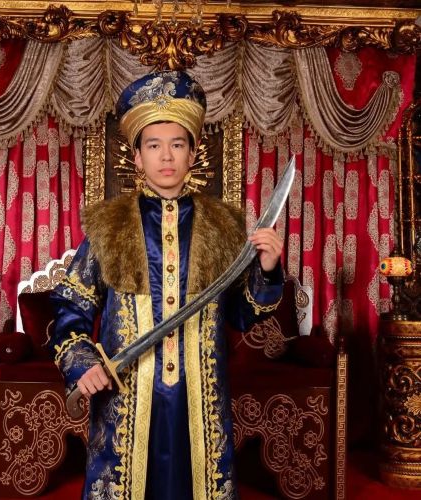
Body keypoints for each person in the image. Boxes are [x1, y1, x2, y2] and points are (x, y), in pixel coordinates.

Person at [48, 71, 284, 500]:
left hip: (201, 399)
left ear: (193, 153)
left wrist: (266, 270)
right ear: (138, 157)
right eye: (154, 146)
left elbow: (242, 313)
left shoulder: (222, 226)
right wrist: (83, 365)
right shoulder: (109, 226)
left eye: (177, 144)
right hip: (126, 396)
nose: (166, 156)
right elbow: (71, 307)